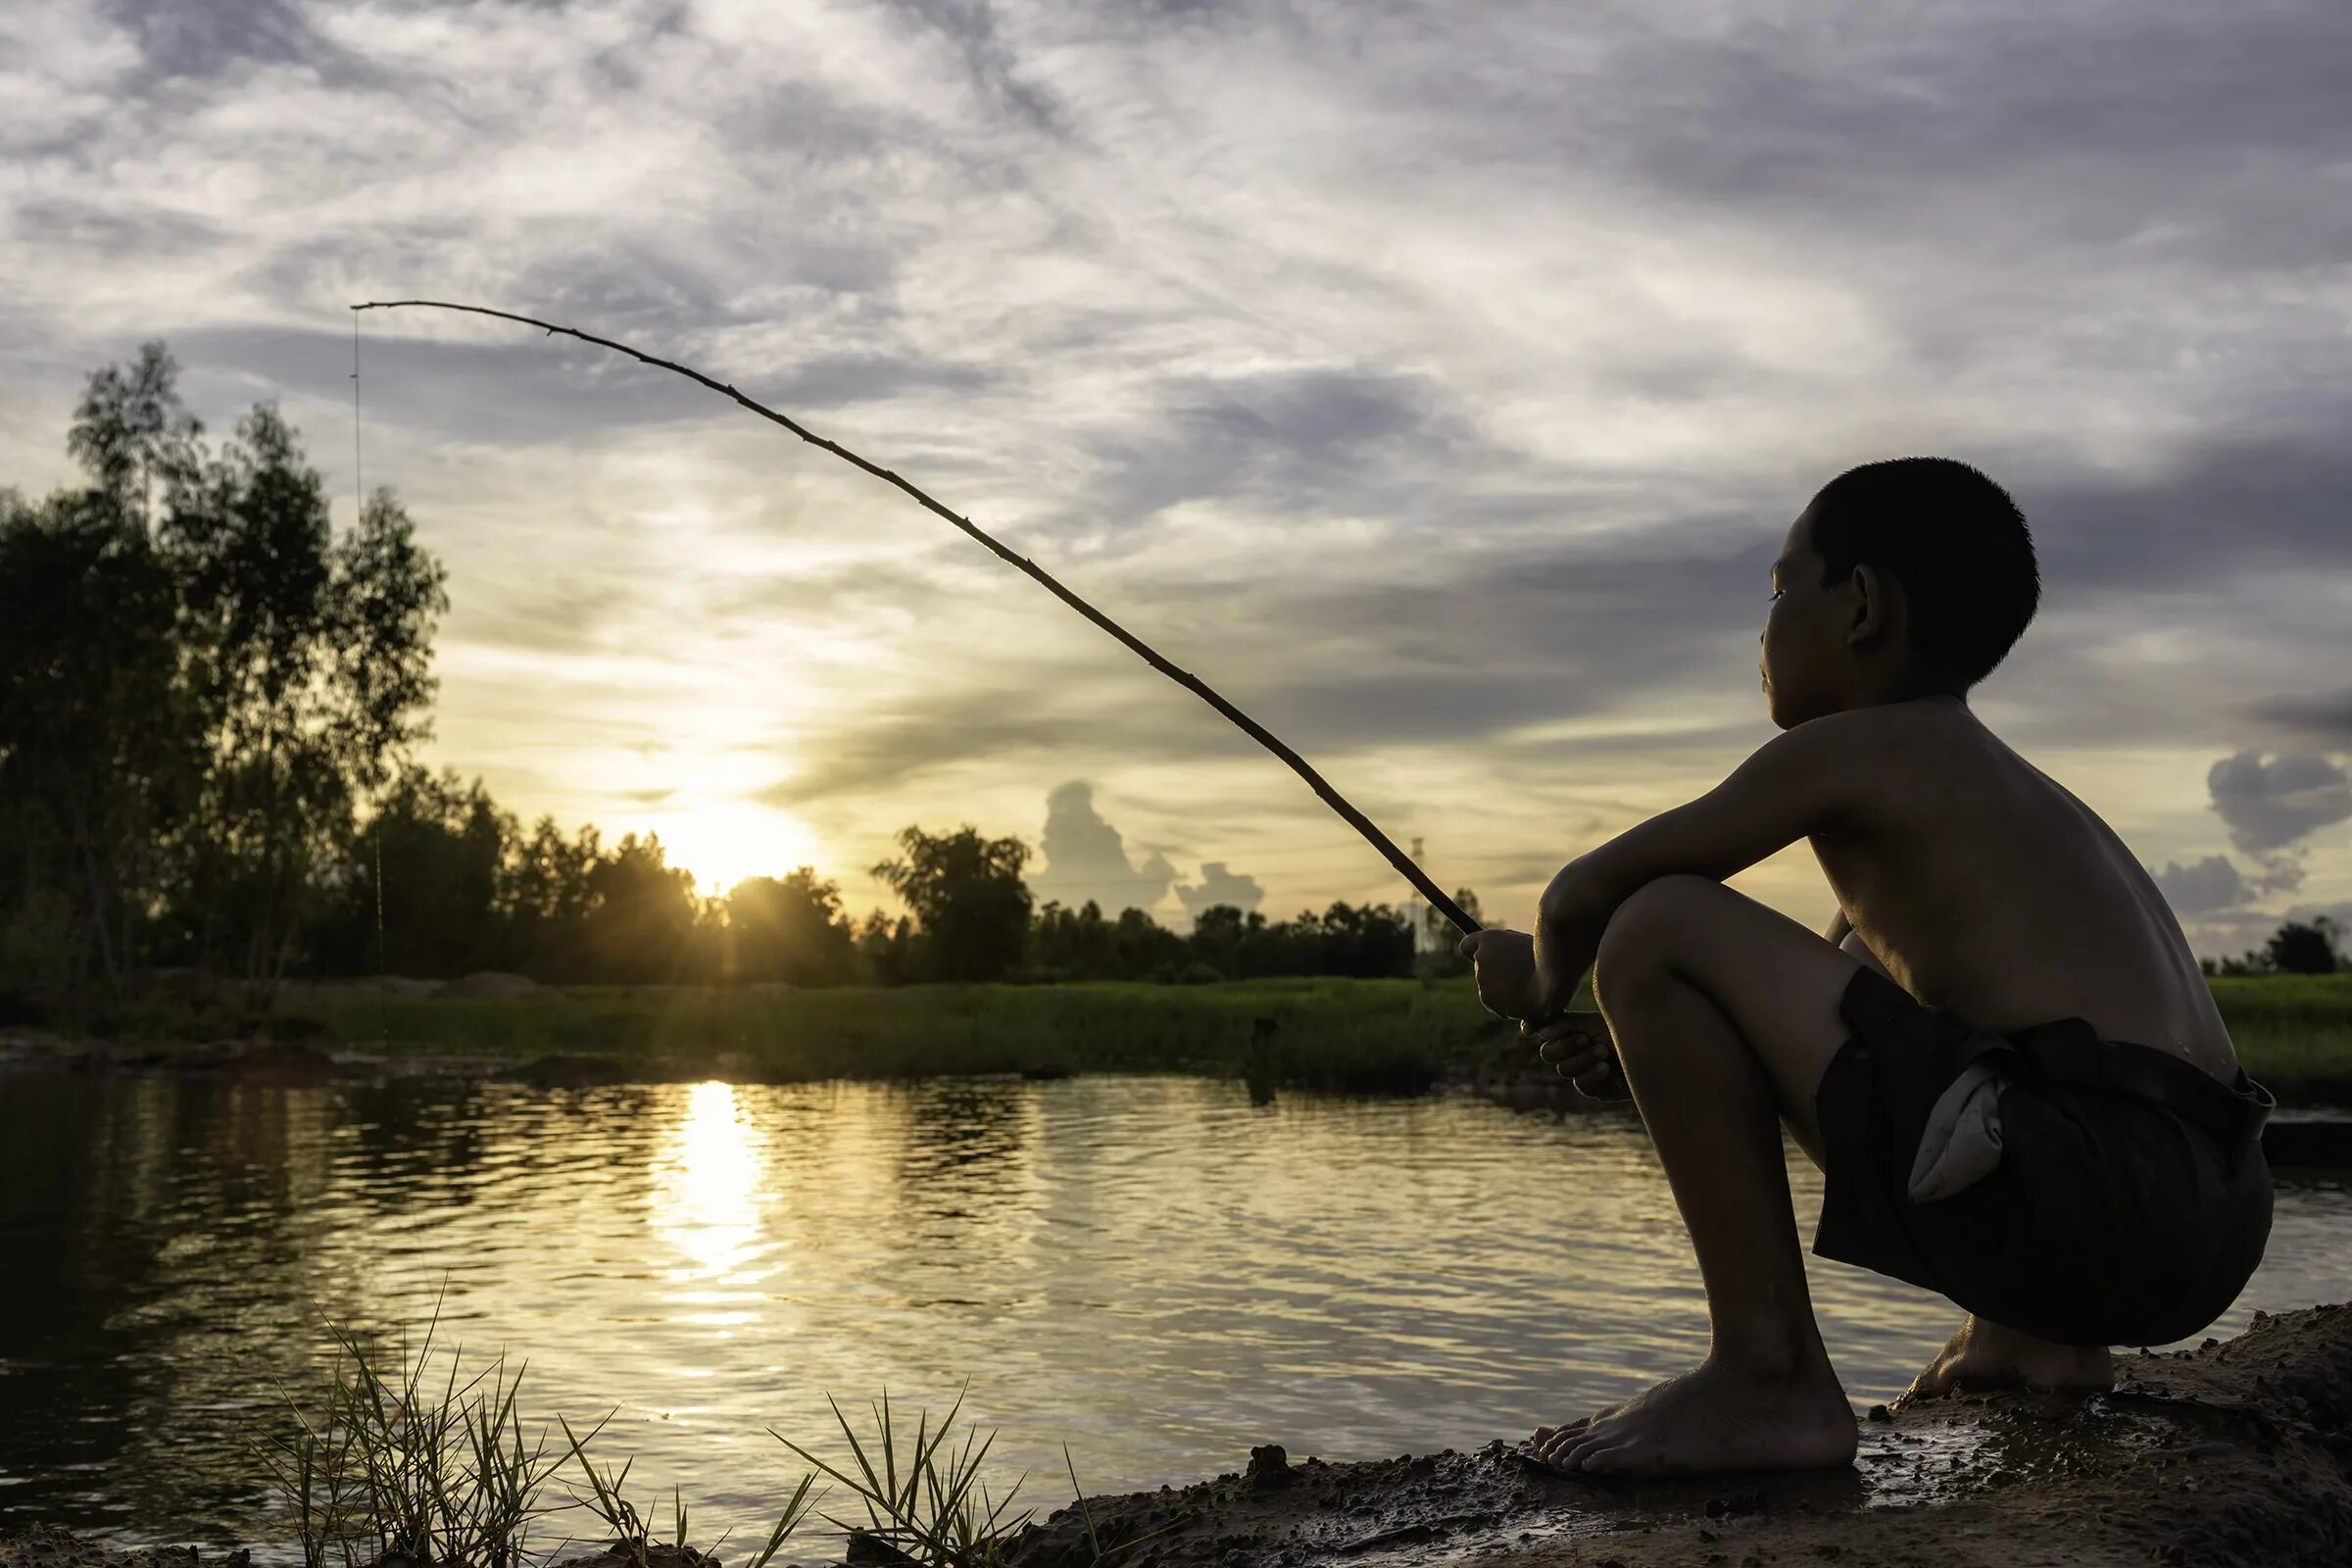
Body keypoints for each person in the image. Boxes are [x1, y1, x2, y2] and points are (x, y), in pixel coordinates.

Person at [1465, 457, 2274, 1480]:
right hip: (2217, 1207)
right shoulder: (2001, 794)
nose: (1761, 629)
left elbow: (1585, 896)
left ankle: (1768, 1376)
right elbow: (1842, 1037)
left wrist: (1534, 981)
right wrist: (1637, 1037)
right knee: (1872, 984)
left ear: (1859, 606)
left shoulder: (1856, 749)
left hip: (2100, 1185)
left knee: (1657, 923)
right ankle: (2039, 1335)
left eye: (1778, 587)